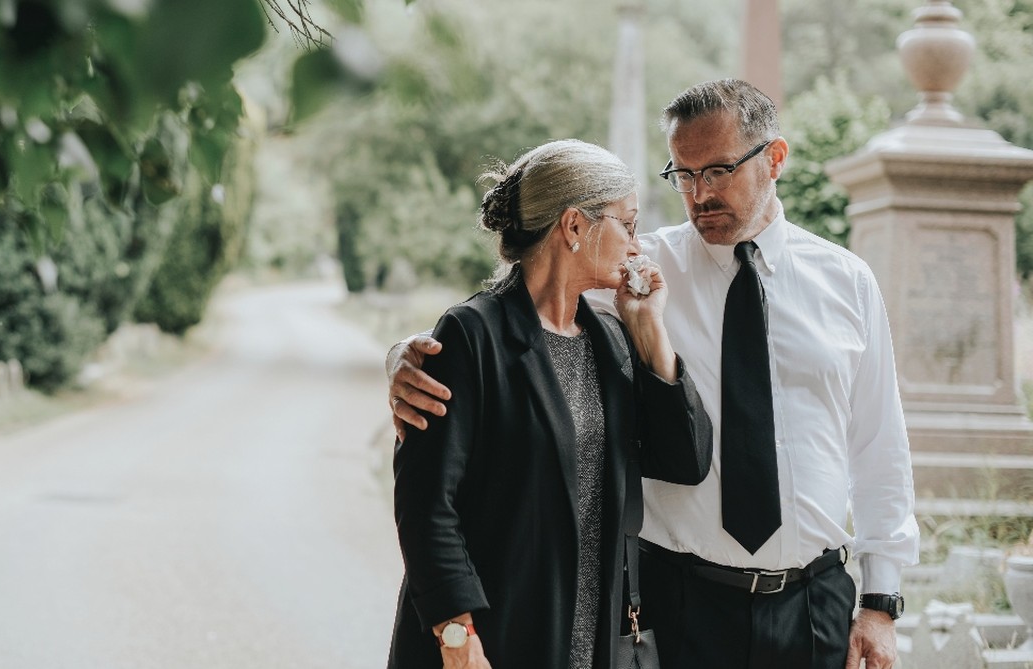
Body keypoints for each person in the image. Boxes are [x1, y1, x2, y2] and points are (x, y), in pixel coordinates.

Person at [386, 80, 919, 669]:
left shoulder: (847, 283)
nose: (699, 194)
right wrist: (405, 356)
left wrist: (880, 601)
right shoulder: (637, 274)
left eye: (717, 171)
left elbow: (880, 449)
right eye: (683, 175)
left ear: (774, 158)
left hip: (813, 606)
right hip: (676, 607)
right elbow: (512, 315)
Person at [387, 139, 712, 669]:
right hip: (490, 637)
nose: (637, 246)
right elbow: (426, 506)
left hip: (591, 641)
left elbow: (685, 461)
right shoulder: (471, 336)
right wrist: (457, 636)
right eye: (627, 224)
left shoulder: (610, 339)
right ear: (575, 227)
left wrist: (651, 331)